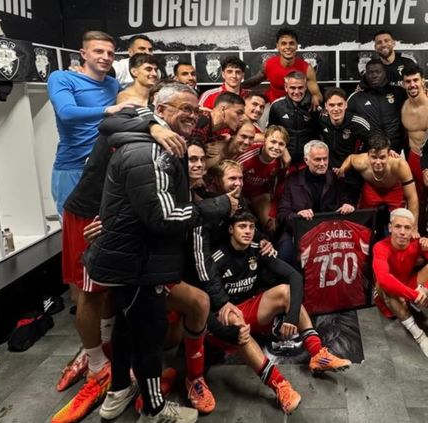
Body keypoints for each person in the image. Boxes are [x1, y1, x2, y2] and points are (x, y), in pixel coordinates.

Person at [83, 82, 205, 423]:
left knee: (127, 326)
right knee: (149, 334)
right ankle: (154, 409)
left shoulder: (153, 141)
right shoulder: (149, 149)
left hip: (132, 255)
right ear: (159, 110)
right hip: (139, 259)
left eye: (195, 110)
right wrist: (215, 207)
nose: (192, 116)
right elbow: (162, 217)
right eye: (184, 108)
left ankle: (119, 390)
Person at [207, 210, 352, 412]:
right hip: (223, 319)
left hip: (249, 307)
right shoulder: (216, 258)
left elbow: (295, 277)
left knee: (286, 291)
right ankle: (280, 385)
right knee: (234, 320)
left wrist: (291, 318)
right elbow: (205, 302)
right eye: (242, 226)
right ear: (231, 229)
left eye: (251, 227)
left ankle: (317, 353)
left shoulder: (258, 249)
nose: (248, 231)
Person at [47, 30, 131, 217]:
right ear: (83, 54)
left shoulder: (112, 84)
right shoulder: (62, 78)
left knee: (104, 226)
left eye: (110, 53)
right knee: (74, 226)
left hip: (104, 166)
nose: (105, 57)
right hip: (74, 167)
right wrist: (107, 110)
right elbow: (66, 112)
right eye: (98, 51)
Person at [372, 208, 428, 363]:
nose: (402, 232)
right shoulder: (380, 247)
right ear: (390, 228)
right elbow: (384, 279)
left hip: (408, 283)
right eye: (398, 226)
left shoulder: (417, 243)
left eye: (407, 228)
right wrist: (415, 295)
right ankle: (421, 338)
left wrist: (427, 290)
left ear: (413, 230)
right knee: (382, 284)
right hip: (390, 293)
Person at [277, 140, 355, 264]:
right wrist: (297, 216)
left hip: (329, 233)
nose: (322, 163)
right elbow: (282, 213)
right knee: (285, 254)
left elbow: (345, 201)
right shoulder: (292, 180)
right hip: (299, 231)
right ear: (306, 160)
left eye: (325, 159)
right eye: (317, 160)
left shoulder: (335, 178)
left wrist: (348, 206)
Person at [338, 135, 419, 232]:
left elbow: (412, 197)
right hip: (372, 188)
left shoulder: (399, 165)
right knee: (363, 223)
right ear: (368, 155)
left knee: (400, 223)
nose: (378, 162)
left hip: (394, 189)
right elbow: (351, 158)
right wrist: (342, 169)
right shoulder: (361, 162)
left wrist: (414, 228)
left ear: (389, 155)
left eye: (382, 157)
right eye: (374, 157)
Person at [242, 27, 322, 109]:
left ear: (296, 46)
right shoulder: (269, 64)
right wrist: (239, 86)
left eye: (291, 43)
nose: (288, 47)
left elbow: (317, 94)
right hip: (272, 105)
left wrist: (316, 97)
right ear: (277, 46)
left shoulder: (307, 69)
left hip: (296, 108)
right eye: (284, 43)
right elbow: (255, 80)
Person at [320, 87, 371, 204]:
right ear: (326, 106)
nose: (336, 109)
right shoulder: (321, 120)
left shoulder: (358, 123)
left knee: (349, 209)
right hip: (328, 174)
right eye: (331, 105)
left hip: (353, 175)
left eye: (339, 104)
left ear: (346, 105)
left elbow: (375, 142)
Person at [237, 125, 289, 236]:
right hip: (239, 192)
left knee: (271, 226)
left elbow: (277, 189)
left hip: (259, 193)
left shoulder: (282, 162)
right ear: (265, 141)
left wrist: (272, 213)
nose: (276, 147)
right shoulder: (247, 155)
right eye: (273, 142)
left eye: (281, 144)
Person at [347, 59, 407, 153]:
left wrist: (427, 93)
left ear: (385, 73)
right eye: (370, 73)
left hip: (396, 150)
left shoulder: (399, 93)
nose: (374, 75)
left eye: (378, 72)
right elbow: (345, 121)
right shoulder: (356, 98)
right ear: (365, 75)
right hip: (370, 152)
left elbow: (417, 104)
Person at [400, 63, 428, 203]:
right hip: (413, 157)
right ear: (403, 84)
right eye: (408, 81)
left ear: (423, 81)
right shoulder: (403, 107)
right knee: (416, 200)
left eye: (415, 80)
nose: (412, 85)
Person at [268, 71, 320, 165]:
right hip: (283, 160)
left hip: (308, 162)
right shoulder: (277, 106)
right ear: (286, 87)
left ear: (306, 87)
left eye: (300, 87)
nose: (296, 92)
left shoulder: (314, 106)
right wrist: (283, 152)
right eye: (293, 88)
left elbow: (321, 134)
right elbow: (269, 134)